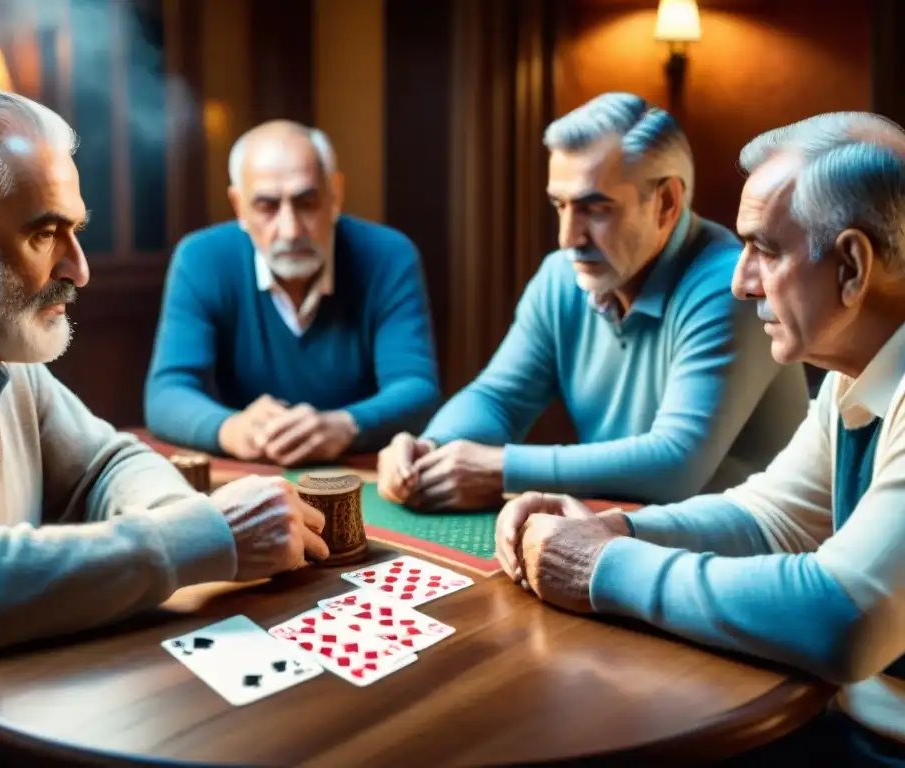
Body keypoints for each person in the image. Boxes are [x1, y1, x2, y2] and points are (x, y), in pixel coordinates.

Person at [495, 111, 905, 763]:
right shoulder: (854, 371)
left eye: (765, 250)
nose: (742, 282)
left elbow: (842, 617)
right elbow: (771, 516)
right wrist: (616, 532)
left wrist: (600, 568)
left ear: (852, 267)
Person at [0, 85, 330, 661]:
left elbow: (107, 463)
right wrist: (210, 536)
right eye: (45, 233)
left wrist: (185, 522)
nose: (80, 270)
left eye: (76, 232)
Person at [377, 93, 809, 512]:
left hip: (745, 555)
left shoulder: (731, 286)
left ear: (666, 203)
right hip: (625, 536)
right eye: (560, 205)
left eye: (596, 209)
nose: (569, 238)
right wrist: (431, 449)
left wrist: (501, 468)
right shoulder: (561, 276)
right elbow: (498, 399)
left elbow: (675, 463)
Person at [143, 120, 441, 466]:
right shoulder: (201, 259)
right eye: (267, 206)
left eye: (307, 202)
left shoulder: (388, 256)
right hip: (251, 472)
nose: (291, 229)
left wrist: (345, 425)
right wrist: (231, 428)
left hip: (361, 473)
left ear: (336, 194)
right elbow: (166, 394)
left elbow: (418, 390)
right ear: (239, 206)